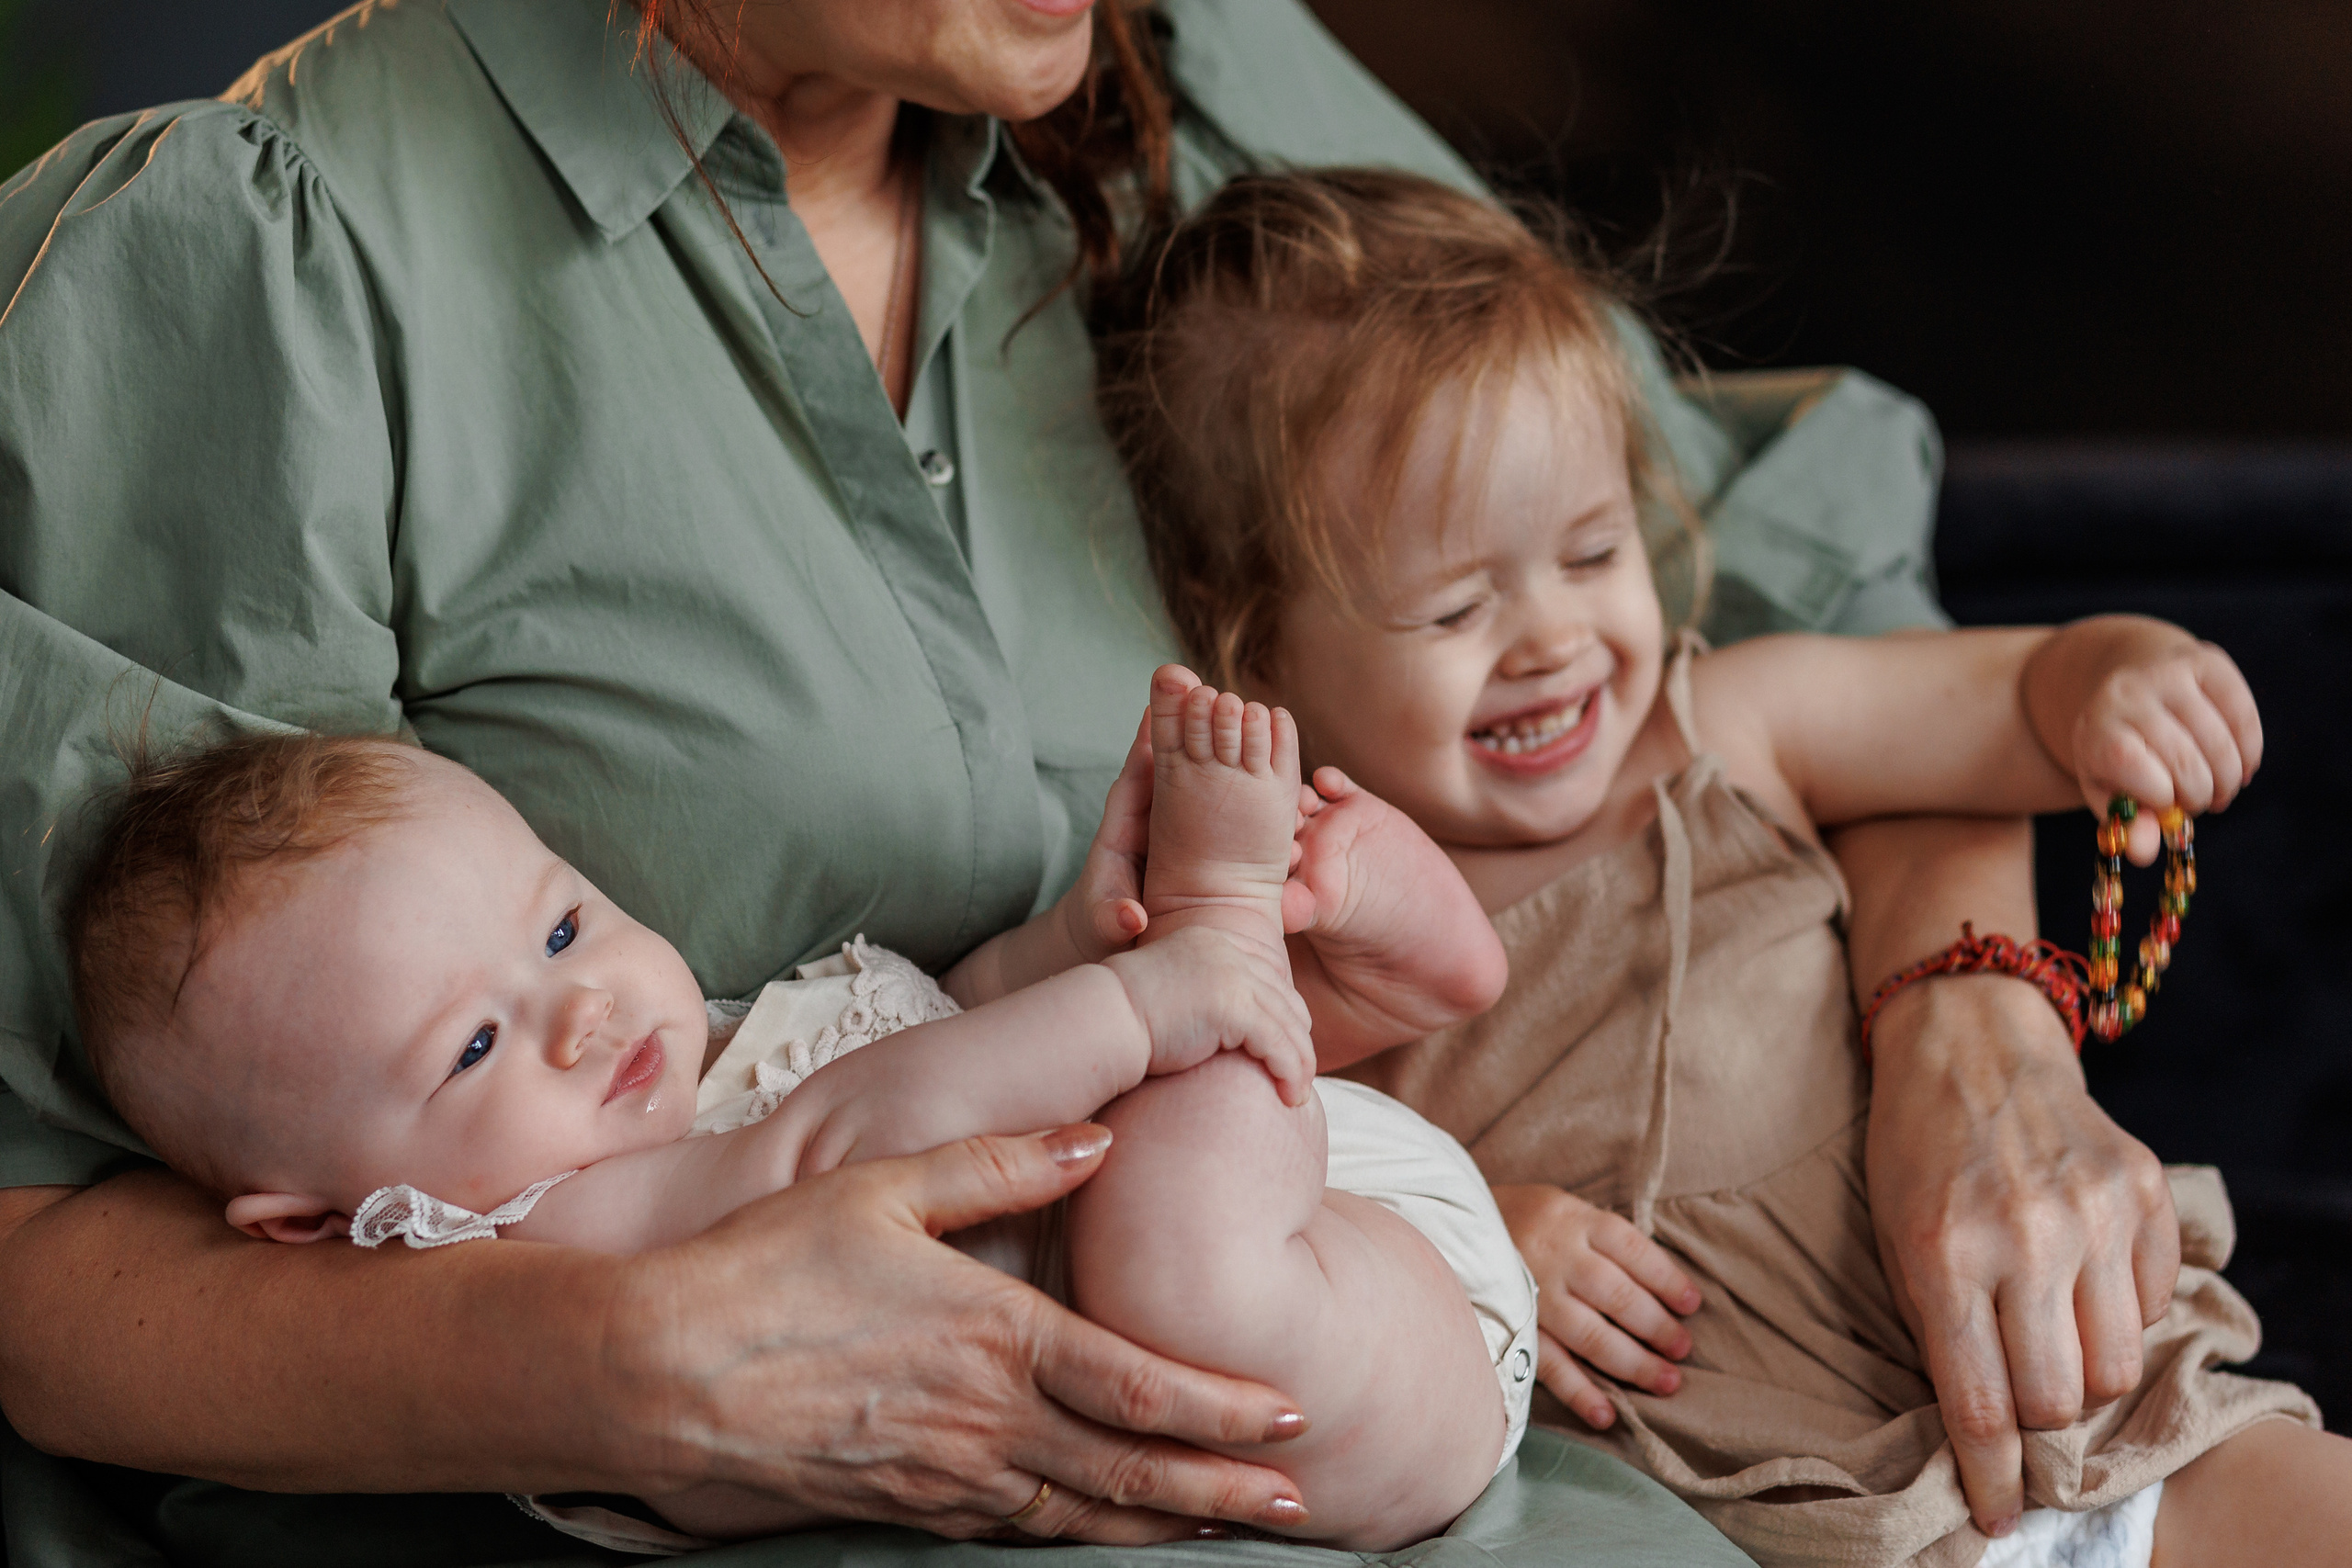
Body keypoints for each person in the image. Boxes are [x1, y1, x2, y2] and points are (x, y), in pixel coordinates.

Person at [0, 0, 2182, 1557]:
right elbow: (43, 1247)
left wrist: (1972, 1021)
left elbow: (1778, 594)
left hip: (1398, 1419)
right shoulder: (277, 260)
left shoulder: (1155, 71)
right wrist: (622, 1359)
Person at [1089, 164, 2351, 1568]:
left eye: (1592, 552)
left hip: (2086, 1397)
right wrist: (1472, 1238)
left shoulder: (1727, 724)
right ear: (1256, 643)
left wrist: (2117, 676)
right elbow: (1252, 1202)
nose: (1553, 640)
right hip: (1771, 1508)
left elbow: (2010, 701)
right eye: (1455, 608)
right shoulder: (1312, 923)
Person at [61, 671, 1531, 1551]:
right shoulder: (543, 1242)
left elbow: (938, 1017)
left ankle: (1360, 941)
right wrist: (1148, 996)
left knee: (1156, 1169)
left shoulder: (713, 1048)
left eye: (563, 928)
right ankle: (1245, 920)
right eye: (476, 1045)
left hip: (1312, 1211)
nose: (585, 1011)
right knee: (1173, 1266)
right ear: (318, 1220)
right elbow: (857, 1133)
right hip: (1320, 1353)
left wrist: (1078, 949)